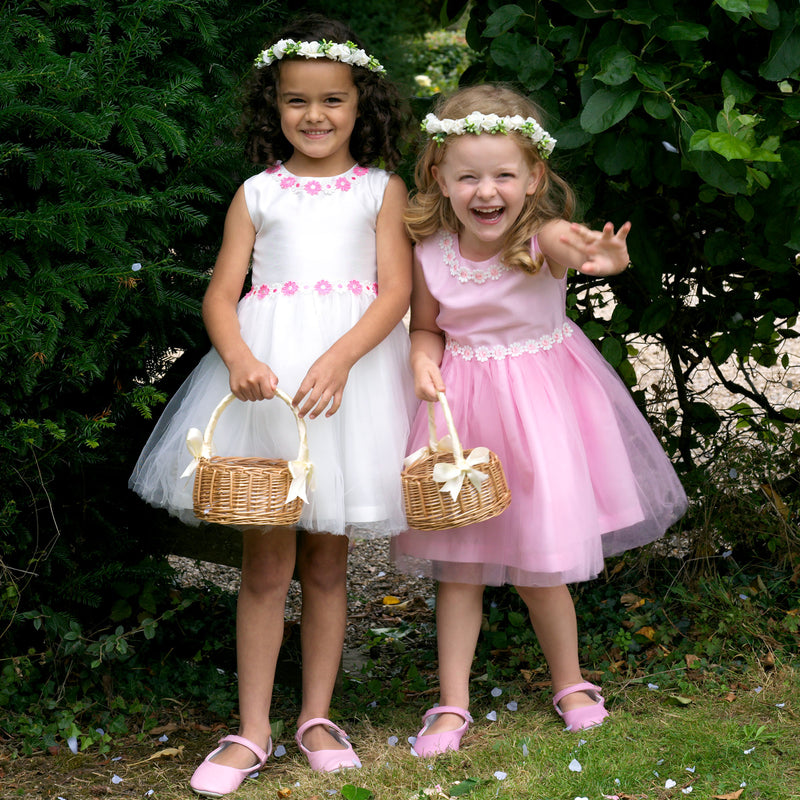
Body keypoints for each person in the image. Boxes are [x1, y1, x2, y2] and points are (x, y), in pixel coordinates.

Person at [129, 15, 415, 796]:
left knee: (328, 561)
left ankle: (316, 716)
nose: (315, 116)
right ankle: (251, 727)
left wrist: (343, 356)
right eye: (297, 101)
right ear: (273, 106)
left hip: (341, 384)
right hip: (268, 385)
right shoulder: (257, 193)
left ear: (364, 105)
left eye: (332, 100)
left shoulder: (380, 190)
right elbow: (223, 294)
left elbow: (397, 293)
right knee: (265, 563)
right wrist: (241, 358)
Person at [391, 84, 687, 756]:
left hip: (542, 413)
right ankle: (452, 702)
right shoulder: (431, 248)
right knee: (458, 565)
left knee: (541, 566)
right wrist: (419, 356)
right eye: (468, 176)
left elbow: (577, 249)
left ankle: (572, 681)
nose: (486, 191)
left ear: (534, 178)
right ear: (439, 176)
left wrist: (605, 261)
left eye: (504, 174)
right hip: (463, 416)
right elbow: (428, 327)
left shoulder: (538, 237)